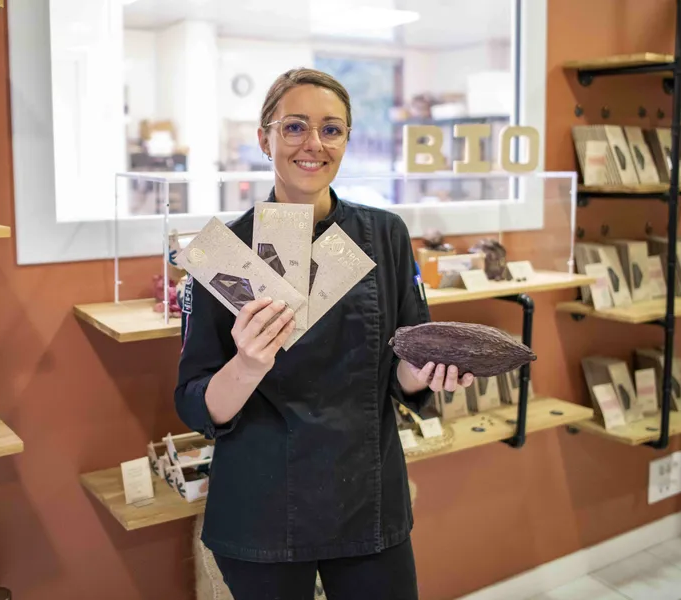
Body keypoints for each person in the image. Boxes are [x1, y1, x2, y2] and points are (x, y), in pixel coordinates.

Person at [175, 67, 474, 600]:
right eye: (294, 127)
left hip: (366, 496)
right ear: (263, 138)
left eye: (331, 129)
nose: (313, 144)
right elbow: (197, 405)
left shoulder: (386, 235)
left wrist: (427, 369)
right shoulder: (222, 255)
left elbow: (401, 375)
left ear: (346, 141)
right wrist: (247, 364)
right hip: (262, 505)